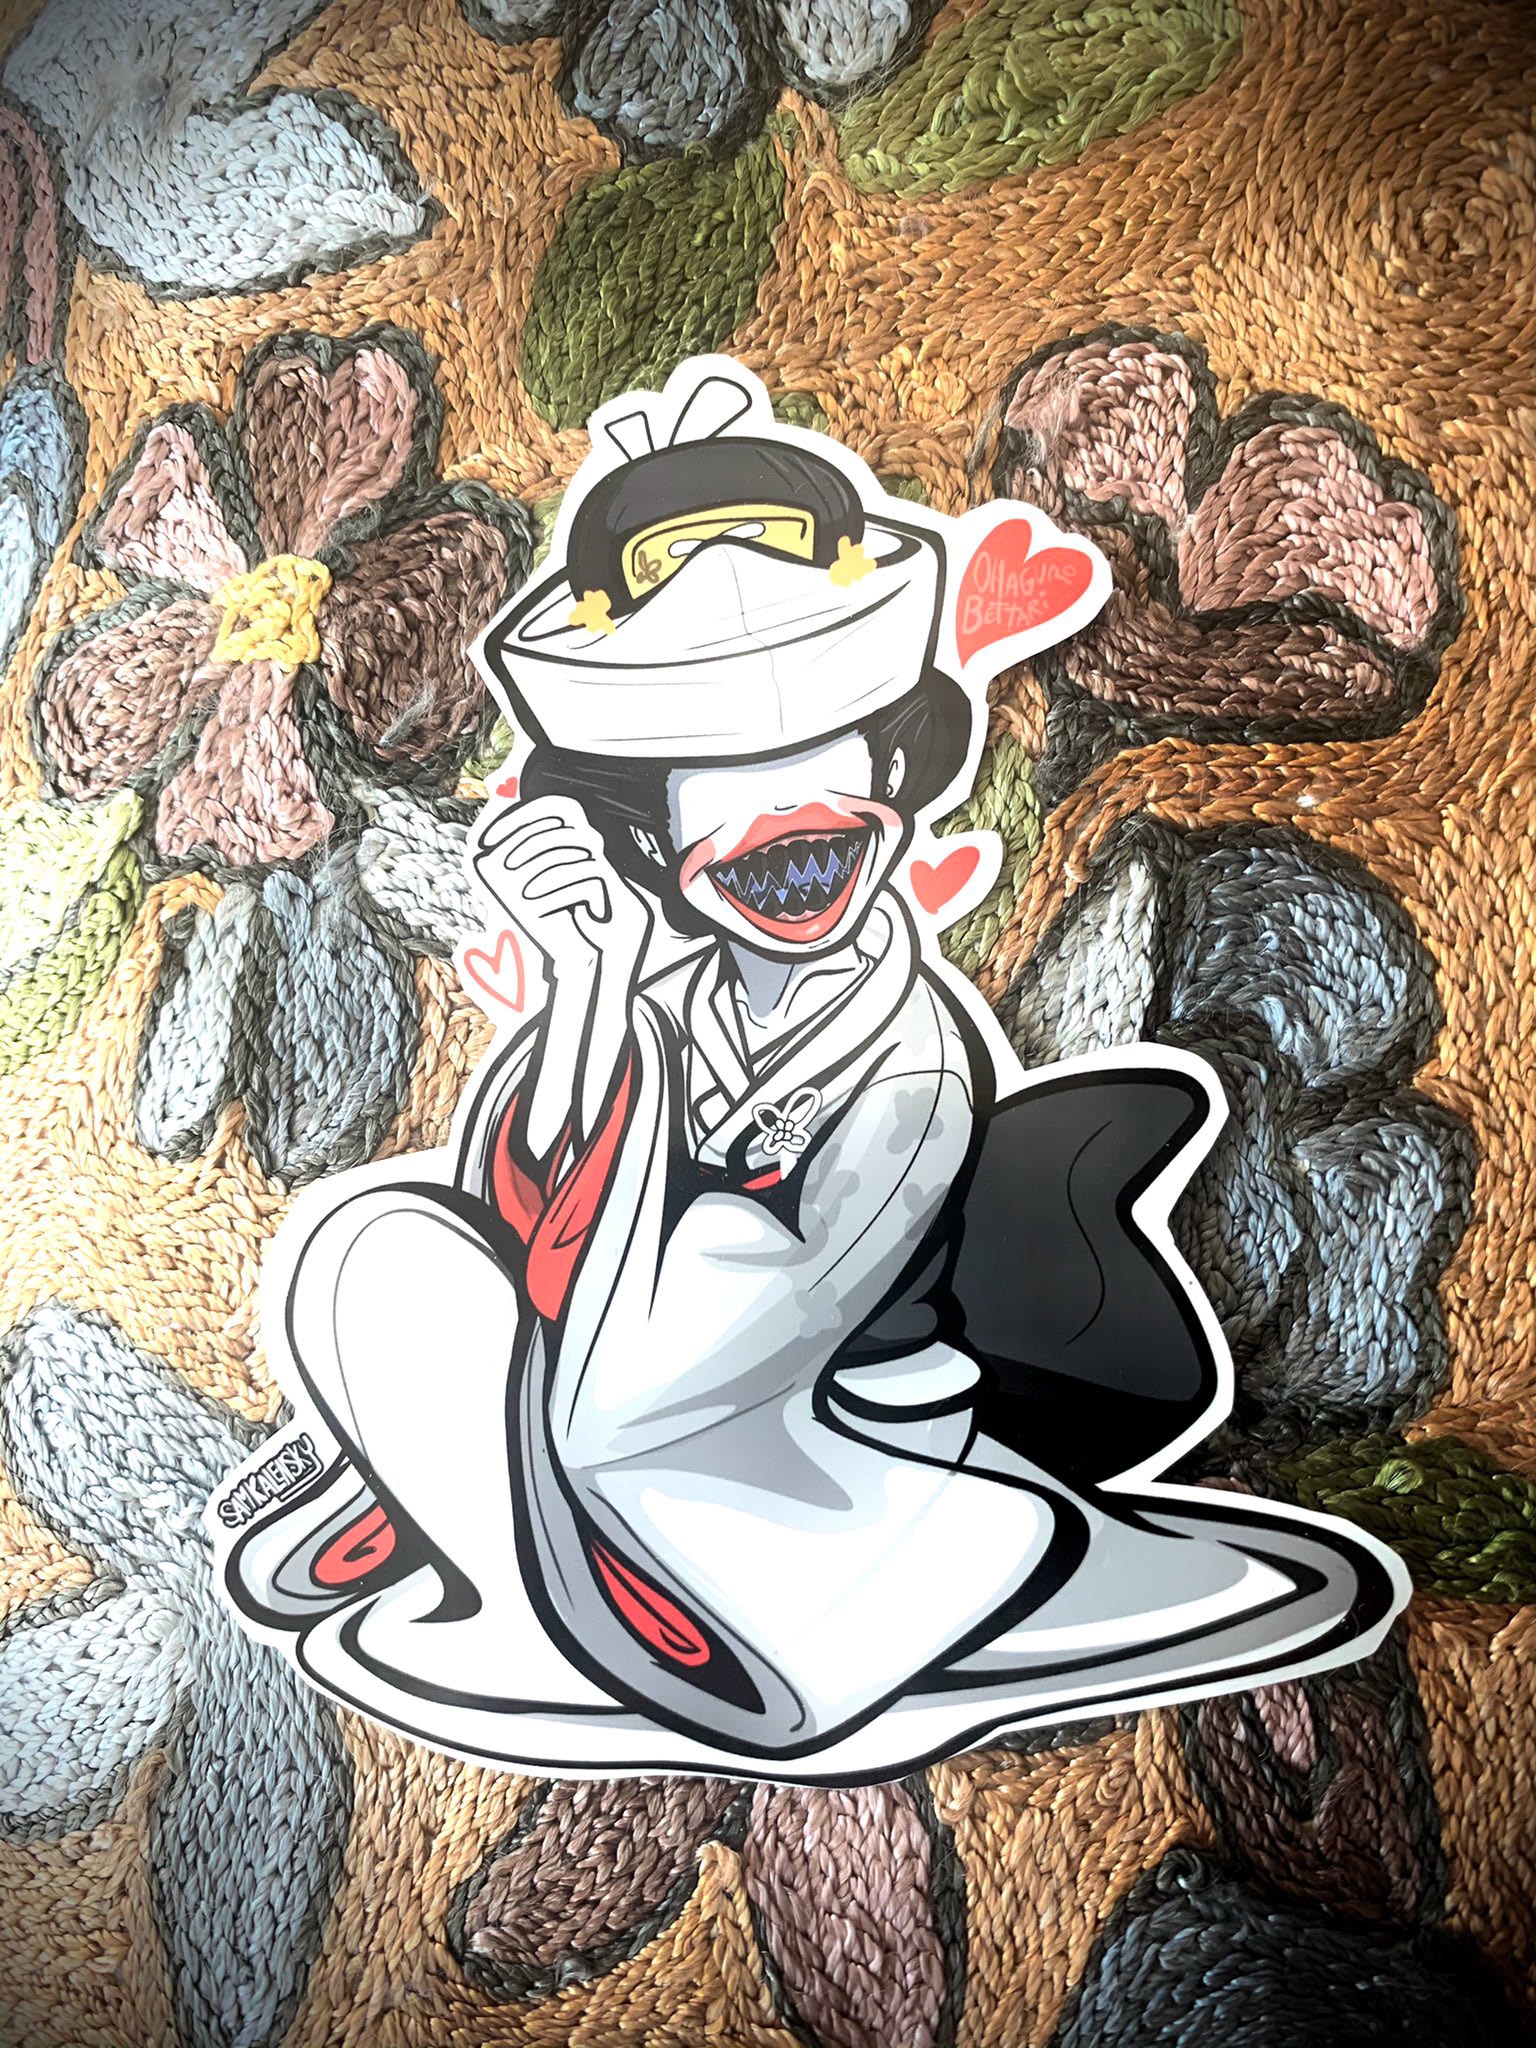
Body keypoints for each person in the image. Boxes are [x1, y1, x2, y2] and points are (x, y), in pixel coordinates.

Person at [221, 361, 1403, 1780]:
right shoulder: (660, 995)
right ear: (649, 843)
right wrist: (590, 992)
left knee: (627, 1396)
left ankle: (615, 1607)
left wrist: (621, 1148)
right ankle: (541, 1590)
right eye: (737, 819)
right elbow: (521, 1229)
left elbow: (649, 1377)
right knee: (369, 1250)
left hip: (795, 1460)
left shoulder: (909, 1073)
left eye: (831, 814)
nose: (795, 852)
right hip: (606, 1423)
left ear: (893, 791)